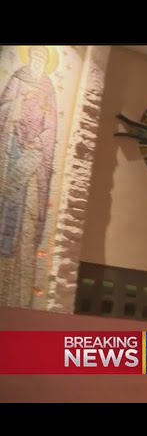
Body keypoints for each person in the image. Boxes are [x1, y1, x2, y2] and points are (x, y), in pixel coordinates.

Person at [0, 46, 57, 307]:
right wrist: (18, 105)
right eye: (35, 56)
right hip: (11, 146)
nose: (38, 61)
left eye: (42, 58)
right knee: (6, 200)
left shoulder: (48, 89)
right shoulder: (18, 78)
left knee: (26, 210)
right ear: (30, 57)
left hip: (33, 155)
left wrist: (38, 141)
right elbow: (3, 107)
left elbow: (52, 126)